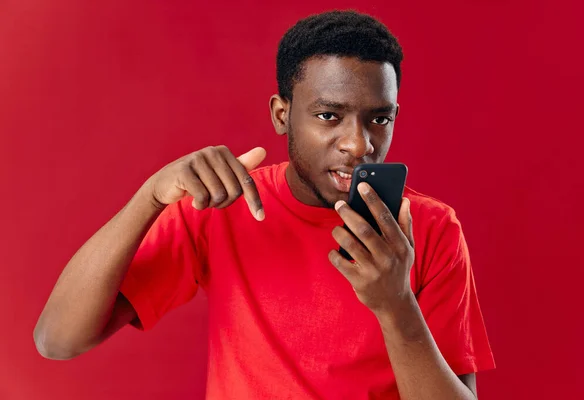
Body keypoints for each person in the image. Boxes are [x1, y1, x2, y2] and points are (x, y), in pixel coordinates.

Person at [34, 10, 495, 399]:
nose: (359, 144)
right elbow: (57, 340)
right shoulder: (224, 208)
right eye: (328, 116)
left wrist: (395, 305)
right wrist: (150, 196)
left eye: (379, 118)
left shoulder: (428, 228)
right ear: (281, 114)